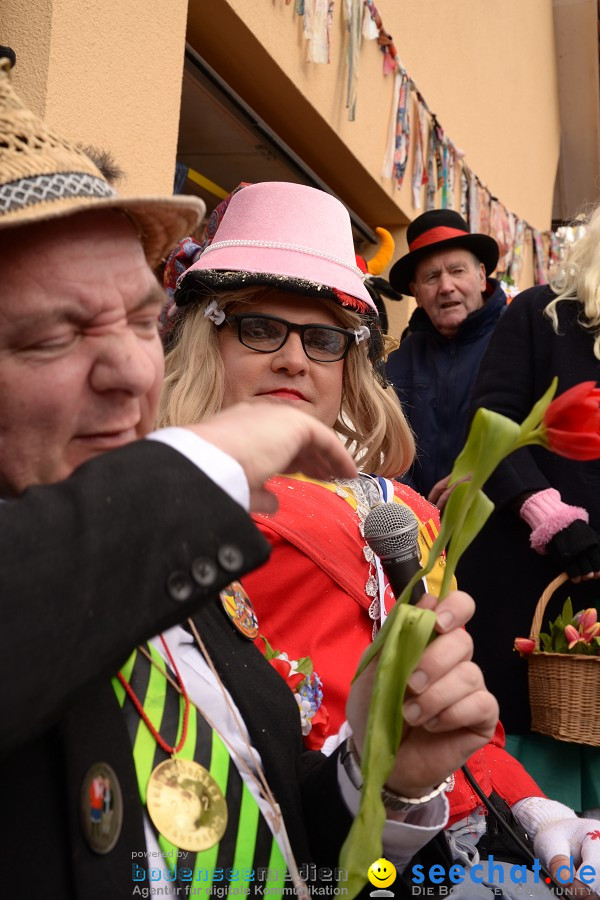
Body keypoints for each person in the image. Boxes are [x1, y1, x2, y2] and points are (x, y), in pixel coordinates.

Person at [0, 63, 498, 899]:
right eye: (56, 335)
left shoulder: (194, 574)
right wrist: (205, 467)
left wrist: (381, 778)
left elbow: (274, 848)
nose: (132, 369)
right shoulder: (190, 518)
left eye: (137, 319)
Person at [159, 180, 600, 896]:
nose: (295, 359)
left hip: (450, 840)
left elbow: (453, 722)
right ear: (205, 337)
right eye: (261, 328)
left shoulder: (406, 513)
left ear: (348, 365)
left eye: (323, 339)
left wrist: (535, 806)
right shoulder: (160, 498)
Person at [455, 206, 600, 816]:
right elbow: (494, 424)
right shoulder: (542, 315)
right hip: (535, 568)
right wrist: (551, 517)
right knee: (531, 790)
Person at [384, 209, 507, 504]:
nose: (446, 286)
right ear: (416, 291)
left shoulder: (516, 341)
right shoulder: (400, 359)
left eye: (457, 271)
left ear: (480, 276)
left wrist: (490, 478)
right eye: (432, 276)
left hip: (500, 524)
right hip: (418, 532)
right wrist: (414, 506)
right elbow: (385, 445)